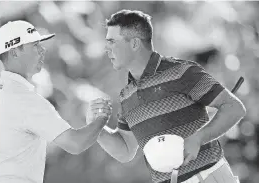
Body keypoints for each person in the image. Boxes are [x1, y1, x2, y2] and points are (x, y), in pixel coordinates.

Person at [88, 10, 246, 183]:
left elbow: (234, 107)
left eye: (112, 41)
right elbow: (126, 149)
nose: (106, 48)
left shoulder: (182, 72)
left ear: (134, 44)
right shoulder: (126, 96)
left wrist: (199, 138)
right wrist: (97, 130)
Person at [0, 20, 111, 183]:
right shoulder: (26, 100)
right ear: (15, 52)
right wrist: (101, 120)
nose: (42, 50)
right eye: (34, 46)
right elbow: (75, 143)